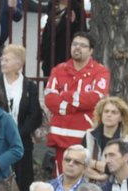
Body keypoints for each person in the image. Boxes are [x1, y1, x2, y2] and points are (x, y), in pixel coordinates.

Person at [44, 32, 110, 176]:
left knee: (83, 187)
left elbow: (96, 98)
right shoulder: (59, 70)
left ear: (91, 51)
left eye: (83, 45)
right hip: (59, 140)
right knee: (61, 183)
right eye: (74, 44)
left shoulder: (100, 71)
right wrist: (78, 104)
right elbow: (49, 99)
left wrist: (65, 96)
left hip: (85, 140)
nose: (77, 48)